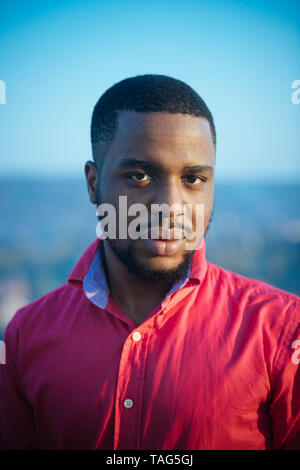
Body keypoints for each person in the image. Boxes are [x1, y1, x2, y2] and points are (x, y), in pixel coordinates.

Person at [0, 74, 299, 450]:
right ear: (93, 183)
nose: (171, 207)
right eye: (139, 176)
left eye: (193, 178)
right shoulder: (26, 335)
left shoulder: (283, 331)